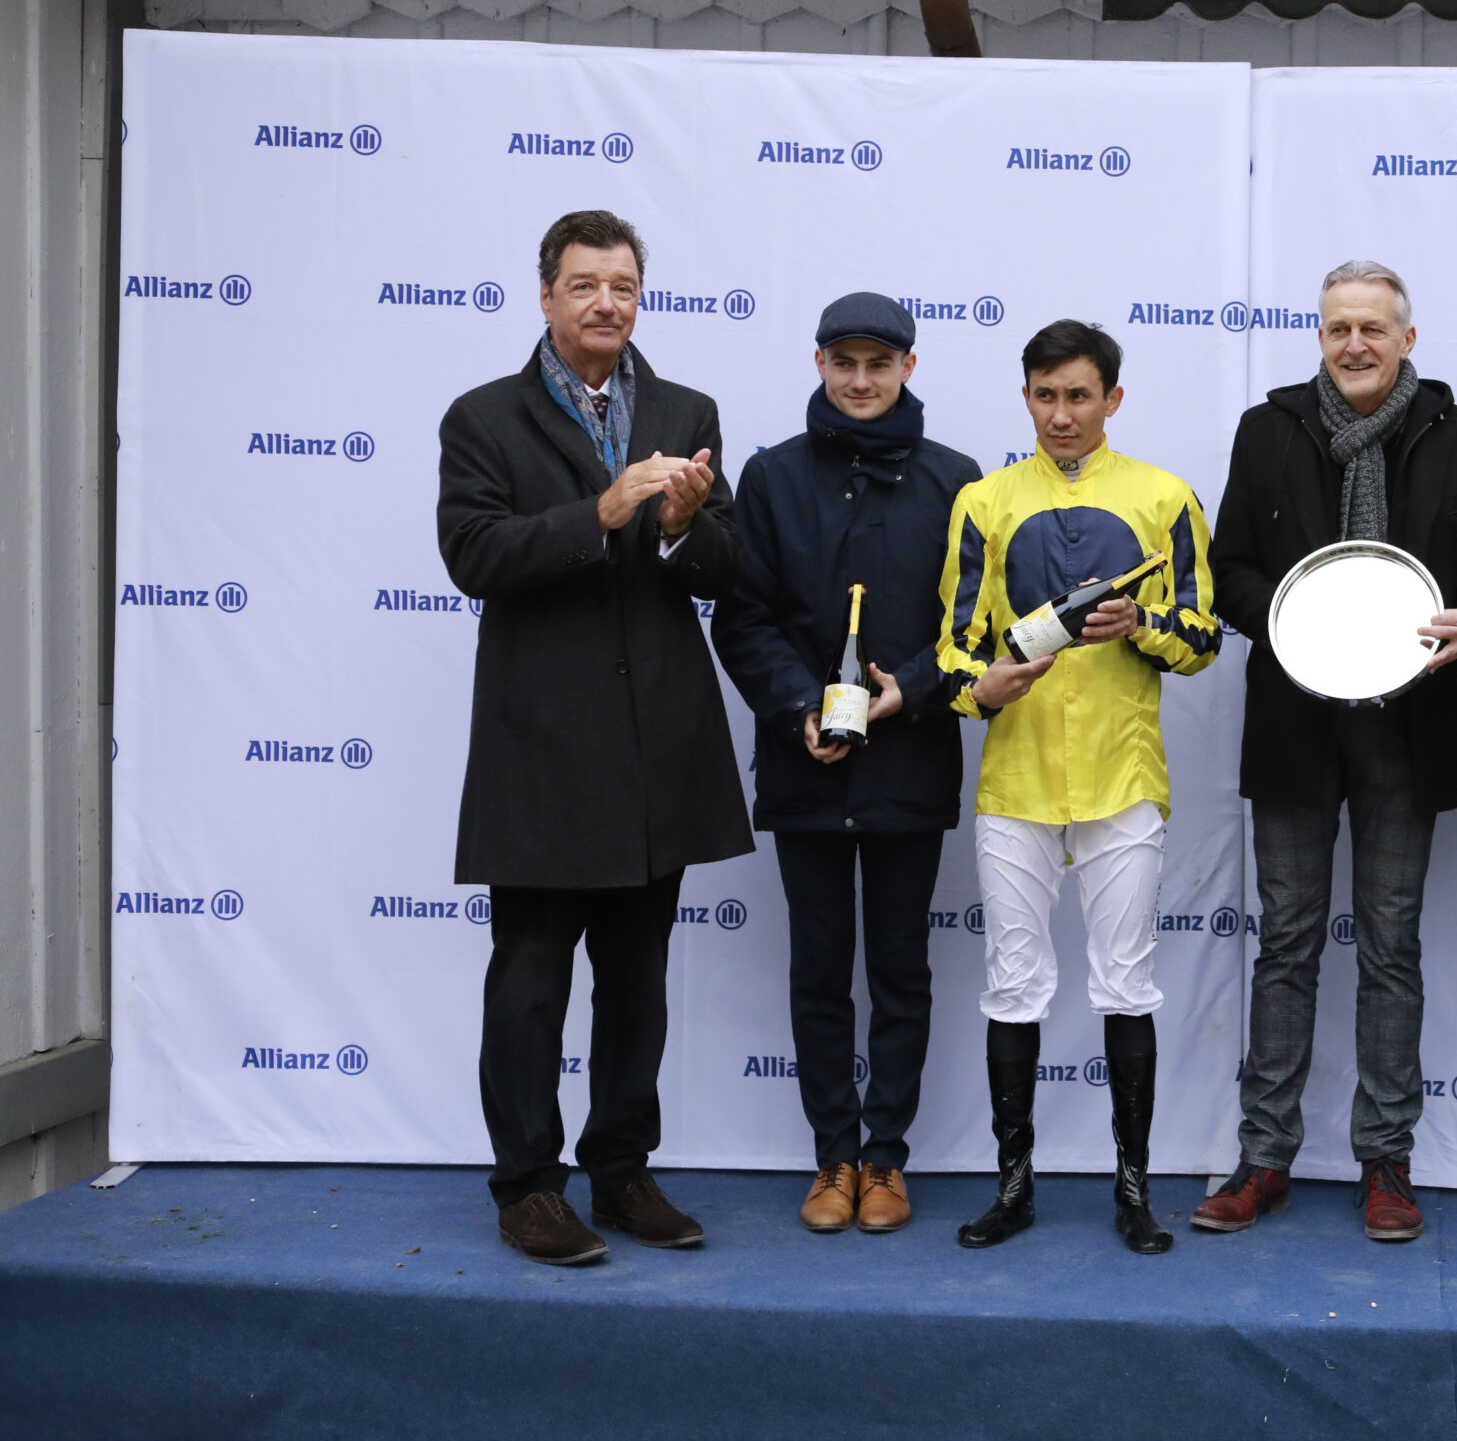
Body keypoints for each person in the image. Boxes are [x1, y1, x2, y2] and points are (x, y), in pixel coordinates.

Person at [436, 209, 752, 1267]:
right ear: (546, 297)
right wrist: (604, 511)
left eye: (621, 284)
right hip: (542, 753)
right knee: (528, 984)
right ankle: (528, 1187)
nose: (605, 302)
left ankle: (620, 1173)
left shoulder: (685, 408)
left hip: (656, 749)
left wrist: (678, 530)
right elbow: (473, 555)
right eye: (584, 285)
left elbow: (727, 568)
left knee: (639, 980)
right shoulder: (482, 419)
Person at [1197, 259, 1457, 1244]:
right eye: (1338, 329)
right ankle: (1264, 1157)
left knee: (1391, 948)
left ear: (1407, 338)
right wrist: (1300, 630)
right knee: (1285, 943)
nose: (1356, 345)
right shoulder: (1268, 427)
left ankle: (1386, 1161)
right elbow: (1227, 569)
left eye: (1373, 328)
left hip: (1405, 729)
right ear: (1319, 339)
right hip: (1294, 722)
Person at [935, 319, 1220, 1256]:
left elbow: (1203, 639)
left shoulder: (1164, 497)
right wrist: (978, 689)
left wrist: (1141, 621)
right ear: (1026, 396)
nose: (1062, 414)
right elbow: (954, 643)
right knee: (1013, 986)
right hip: (1014, 779)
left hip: (1123, 773)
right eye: (1046, 395)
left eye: (1079, 396)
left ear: (1113, 399)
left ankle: (1133, 1193)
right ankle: (1013, 1190)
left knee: (1125, 984)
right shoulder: (982, 501)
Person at [710, 293, 981, 1236]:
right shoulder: (771, 476)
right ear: (819, 363)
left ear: (910, 365)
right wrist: (795, 711)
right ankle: (832, 1156)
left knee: (901, 970)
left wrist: (903, 688)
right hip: (807, 770)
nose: (860, 381)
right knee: (820, 971)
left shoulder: (959, 481)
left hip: (909, 764)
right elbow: (742, 619)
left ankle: (887, 1159)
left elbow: (969, 630)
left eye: (879, 362)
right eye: (843, 362)